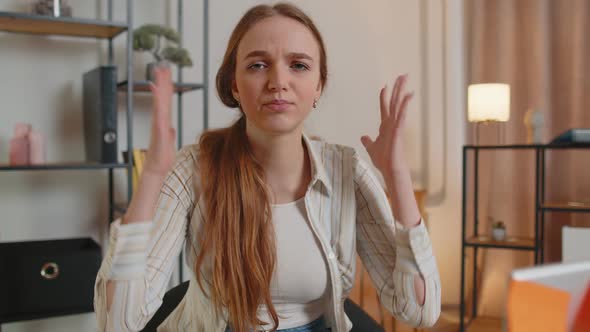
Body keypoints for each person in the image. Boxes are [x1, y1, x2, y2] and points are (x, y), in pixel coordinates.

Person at [93, 3, 441, 332]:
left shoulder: (347, 169)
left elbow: (419, 310)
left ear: (318, 85)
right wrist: (153, 175)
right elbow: (118, 322)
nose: (278, 81)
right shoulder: (194, 167)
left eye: (299, 65)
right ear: (234, 85)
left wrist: (396, 176)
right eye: (258, 65)